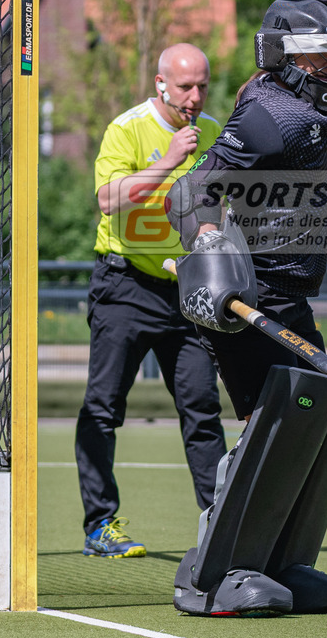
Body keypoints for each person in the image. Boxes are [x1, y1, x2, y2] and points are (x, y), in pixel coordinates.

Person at [165, 0, 327, 615]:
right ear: (284, 57)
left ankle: (280, 563)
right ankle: (211, 574)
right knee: (269, 428)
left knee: (312, 421)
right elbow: (190, 192)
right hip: (252, 296)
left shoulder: (315, 94)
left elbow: (316, 9)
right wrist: (206, 244)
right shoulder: (268, 115)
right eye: (317, 52)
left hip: (292, 295)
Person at [76, 43, 227, 558]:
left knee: (202, 407)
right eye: (185, 86)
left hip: (184, 291)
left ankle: (220, 525)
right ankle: (100, 526)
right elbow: (108, 199)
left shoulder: (213, 132)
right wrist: (168, 161)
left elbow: (217, 208)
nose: (195, 97)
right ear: (161, 83)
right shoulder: (128, 128)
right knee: (102, 408)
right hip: (124, 287)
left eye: (203, 86)